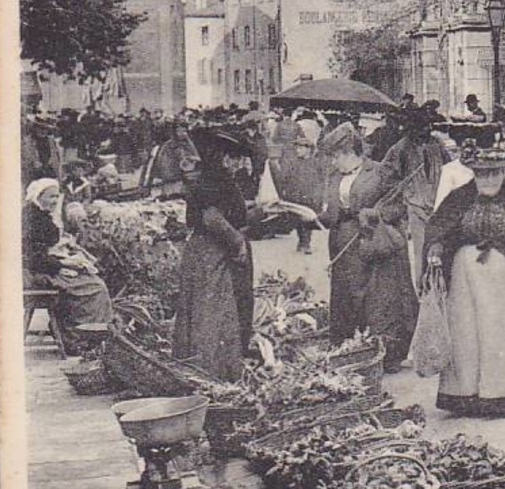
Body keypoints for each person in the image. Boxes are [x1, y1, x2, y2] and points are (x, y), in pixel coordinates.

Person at [414, 142, 505, 417]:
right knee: (464, 334)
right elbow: (439, 229)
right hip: (464, 274)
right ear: (473, 173)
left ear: (504, 172)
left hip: (504, 274)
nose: (488, 179)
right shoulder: (459, 197)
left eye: (494, 173)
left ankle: (500, 397)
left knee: (500, 334)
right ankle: (462, 396)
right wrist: (436, 248)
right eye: (481, 173)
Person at [319, 122, 420, 369]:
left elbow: (399, 204)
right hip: (343, 243)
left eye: (335, 157)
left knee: (378, 299)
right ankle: (351, 351)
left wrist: (376, 213)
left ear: (348, 152)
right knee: (346, 297)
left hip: (373, 242)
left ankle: (386, 354)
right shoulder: (334, 176)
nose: (333, 163)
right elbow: (328, 210)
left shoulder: (377, 172)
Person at [174, 129, 257, 381]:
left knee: (199, 310)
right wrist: (238, 243)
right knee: (215, 312)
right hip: (214, 254)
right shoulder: (218, 180)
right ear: (222, 159)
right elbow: (213, 219)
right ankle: (215, 370)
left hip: (200, 251)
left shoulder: (205, 179)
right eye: (233, 159)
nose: (238, 165)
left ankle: (197, 364)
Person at [23, 178, 115, 352]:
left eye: (57, 196)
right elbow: (34, 258)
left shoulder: (40, 215)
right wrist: (65, 264)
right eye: (50, 197)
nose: (55, 201)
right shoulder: (32, 219)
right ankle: (78, 338)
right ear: (38, 197)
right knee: (96, 286)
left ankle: (76, 333)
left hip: (45, 267)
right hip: (37, 273)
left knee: (90, 277)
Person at [382, 100, 450, 275]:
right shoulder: (401, 148)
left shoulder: (436, 144)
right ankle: (423, 288)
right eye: (422, 127)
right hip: (415, 206)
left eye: (428, 126)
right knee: (420, 250)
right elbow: (386, 174)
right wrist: (404, 189)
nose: (426, 130)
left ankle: (440, 287)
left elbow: (449, 167)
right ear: (413, 128)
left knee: (440, 251)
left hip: (438, 205)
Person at [268, 122, 329, 254]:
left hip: (311, 197)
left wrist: (321, 197)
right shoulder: (293, 163)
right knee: (298, 221)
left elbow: (322, 181)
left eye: (301, 148)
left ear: (308, 149)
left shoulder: (316, 164)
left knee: (307, 220)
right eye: (297, 147)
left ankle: (305, 243)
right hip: (296, 196)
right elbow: (285, 178)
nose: (298, 150)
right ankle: (302, 241)